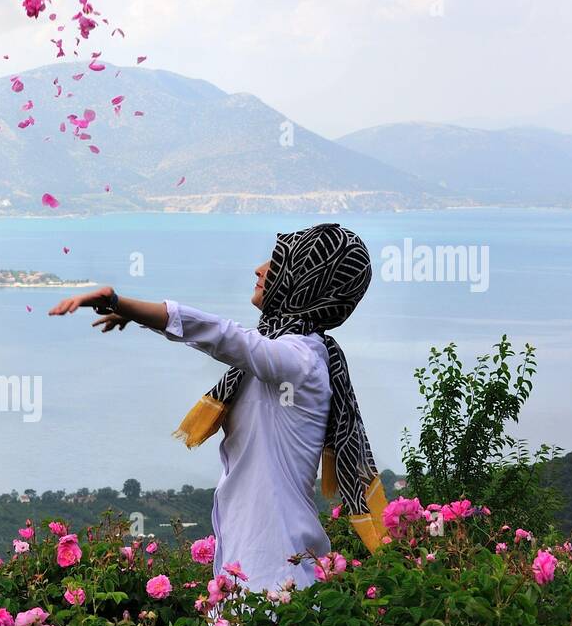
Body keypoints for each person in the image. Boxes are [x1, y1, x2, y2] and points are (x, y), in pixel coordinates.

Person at [48, 223, 386, 592]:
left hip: (273, 580)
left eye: (276, 262)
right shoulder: (281, 353)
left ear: (303, 281)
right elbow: (233, 341)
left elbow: (225, 337)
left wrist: (120, 302)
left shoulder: (300, 361)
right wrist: (139, 315)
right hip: (250, 573)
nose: (260, 268)